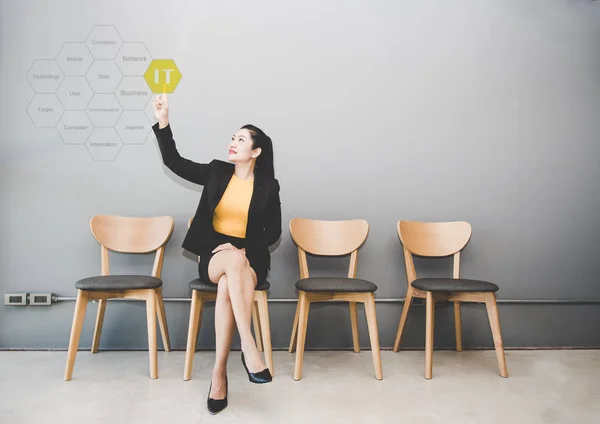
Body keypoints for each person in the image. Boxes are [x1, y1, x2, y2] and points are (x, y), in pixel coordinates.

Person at [152, 92, 281, 414]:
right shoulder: (216, 172)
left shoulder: (269, 186)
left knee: (229, 281)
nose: (233, 143)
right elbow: (174, 162)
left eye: (241, 139)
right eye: (232, 138)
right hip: (213, 255)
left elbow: (274, 233)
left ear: (256, 151)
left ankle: (219, 375)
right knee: (230, 265)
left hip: (248, 260)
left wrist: (241, 248)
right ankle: (250, 348)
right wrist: (164, 122)